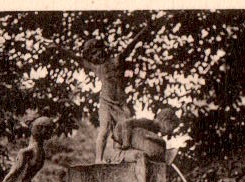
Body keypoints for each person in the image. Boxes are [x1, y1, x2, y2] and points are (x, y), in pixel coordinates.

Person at [49, 17, 167, 164]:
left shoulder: (117, 60)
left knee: (127, 127)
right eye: (91, 56)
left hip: (120, 103)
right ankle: (99, 159)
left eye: (96, 52)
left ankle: (121, 154)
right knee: (104, 131)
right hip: (105, 102)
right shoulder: (96, 67)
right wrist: (60, 49)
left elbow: (130, 46)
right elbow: (76, 59)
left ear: (103, 49)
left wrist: (144, 31)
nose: (95, 57)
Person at [103, 107, 180, 182]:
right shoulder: (147, 123)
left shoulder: (154, 131)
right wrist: (126, 143)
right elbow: (126, 123)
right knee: (140, 156)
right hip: (116, 151)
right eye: (172, 127)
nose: (171, 131)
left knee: (161, 162)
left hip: (126, 151)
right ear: (165, 121)